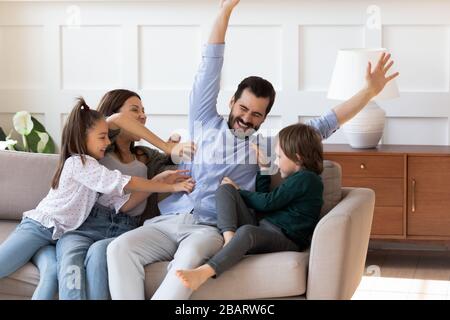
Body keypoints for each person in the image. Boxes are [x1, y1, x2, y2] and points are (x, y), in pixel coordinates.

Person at [107, 0, 399, 300]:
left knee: (186, 261)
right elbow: (210, 64)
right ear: (232, 101)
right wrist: (224, 12)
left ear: (265, 117)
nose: (246, 118)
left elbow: (326, 124)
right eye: (243, 108)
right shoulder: (203, 120)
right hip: (172, 218)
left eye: (256, 114)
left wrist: (369, 92)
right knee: (118, 250)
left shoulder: (269, 147)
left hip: (209, 229)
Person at [0, 98, 194, 300]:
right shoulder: (79, 163)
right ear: (83, 138)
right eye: (102, 137)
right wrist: (168, 186)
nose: (107, 142)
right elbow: (123, 182)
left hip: (56, 237)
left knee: (50, 275)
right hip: (39, 229)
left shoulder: (96, 168)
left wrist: (162, 169)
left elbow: (116, 201)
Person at [176, 123, 323, 290]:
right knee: (225, 189)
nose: (276, 161)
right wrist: (264, 169)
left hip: (286, 239)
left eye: (279, 157)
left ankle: (204, 272)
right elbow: (265, 204)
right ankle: (230, 239)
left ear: (298, 158)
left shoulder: (307, 179)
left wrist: (241, 191)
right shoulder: (300, 178)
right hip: (264, 227)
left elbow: (268, 202)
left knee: (247, 231)